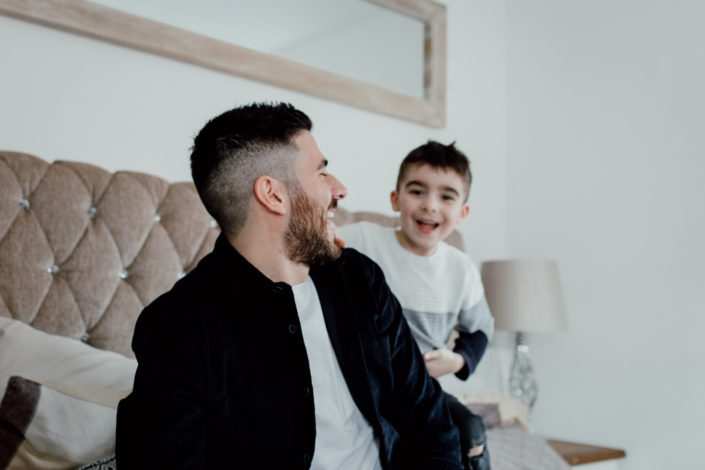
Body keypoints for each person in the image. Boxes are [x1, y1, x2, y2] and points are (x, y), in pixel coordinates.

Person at [116, 103, 463, 469]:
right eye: (322, 173)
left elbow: (431, 422)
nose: (340, 189)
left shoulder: (360, 281)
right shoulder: (179, 326)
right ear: (273, 194)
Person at [338, 141, 495, 470]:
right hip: (368, 386)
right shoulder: (364, 240)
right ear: (395, 200)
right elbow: (316, 243)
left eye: (447, 196)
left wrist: (457, 360)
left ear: (463, 212)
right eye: (417, 191)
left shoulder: (460, 269)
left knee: (471, 430)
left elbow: (481, 328)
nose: (430, 206)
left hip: (422, 392)